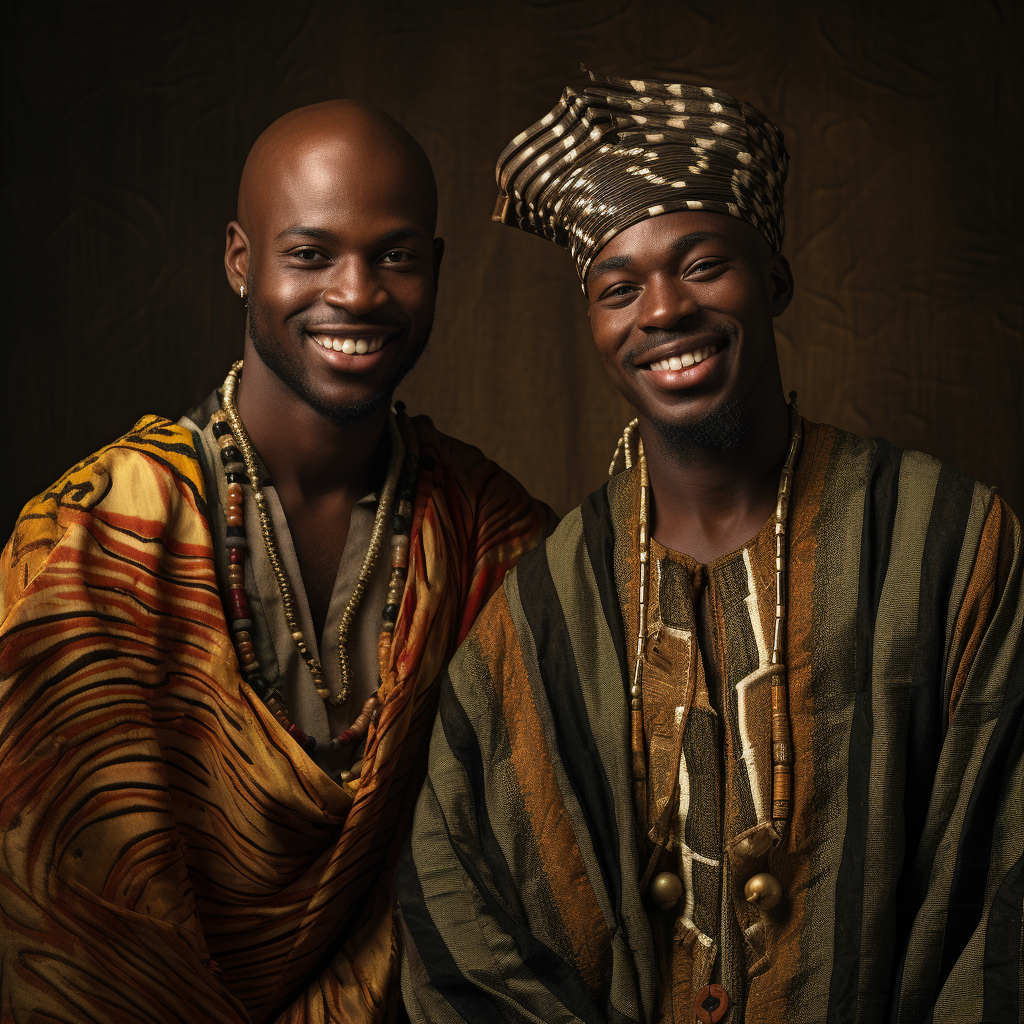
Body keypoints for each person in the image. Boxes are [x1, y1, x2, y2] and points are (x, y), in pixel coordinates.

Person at [398, 70, 1022, 1023]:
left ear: (772, 276)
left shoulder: (949, 547)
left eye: (700, 264)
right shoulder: (543, 612)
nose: (662, 312)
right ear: (596, 323)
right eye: (618, 287)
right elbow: (463, 919)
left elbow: (1007, 902)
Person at [0, 100, 552, 1023]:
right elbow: (66, 923)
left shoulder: (487, 530)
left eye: (396, 256)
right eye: (310, 254)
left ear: (438, 269)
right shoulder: (87, 545)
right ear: (239, 260)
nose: (358, 293)